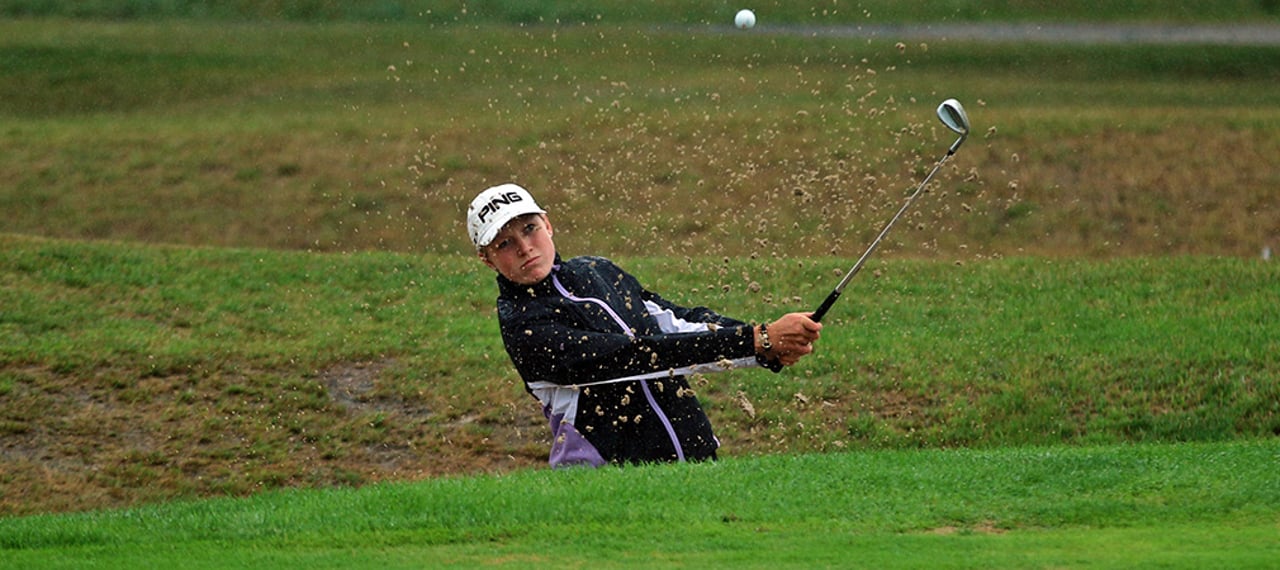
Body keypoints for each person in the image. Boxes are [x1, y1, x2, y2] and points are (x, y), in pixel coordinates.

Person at [467, 183, 822, 468]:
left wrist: (766, 344)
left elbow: (677, 323)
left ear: (548, 224)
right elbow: (636, 356)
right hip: (607, 479)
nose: (525, 247)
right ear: (487, 259)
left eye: (530, 229)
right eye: (505, 243)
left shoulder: (597, 271)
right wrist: (755, 341)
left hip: (696, 462)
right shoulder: (523, 326)